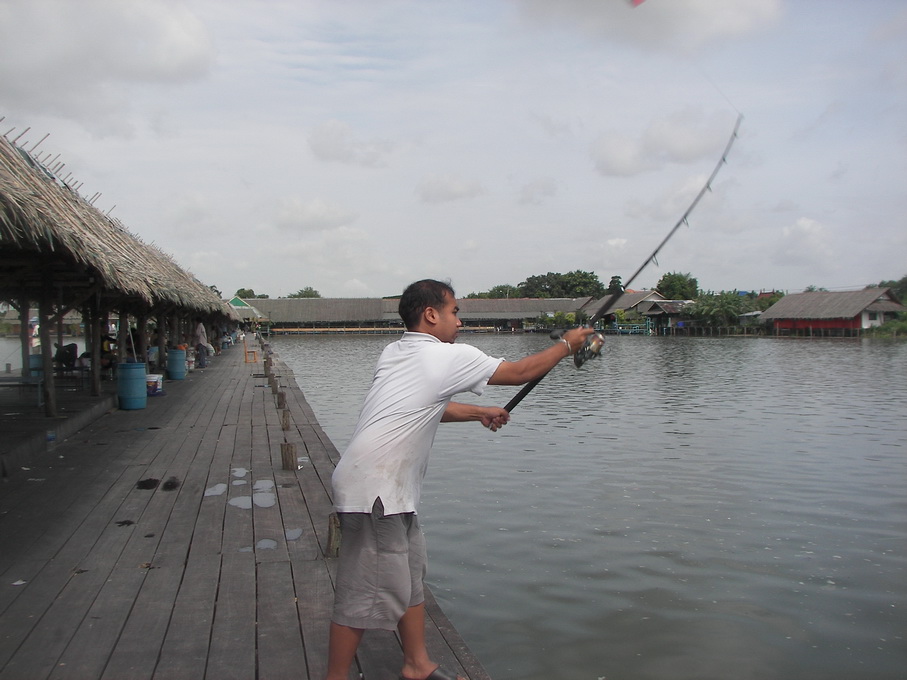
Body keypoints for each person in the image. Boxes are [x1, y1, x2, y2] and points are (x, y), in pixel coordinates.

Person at [325, 279, 594, 680]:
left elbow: (426, 406)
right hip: (376, 492)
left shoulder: (396, 352)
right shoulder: (447, 357)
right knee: (364, 593)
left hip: (383, 488)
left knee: (410, 576)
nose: (459, 321)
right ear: (431, 314)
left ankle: (417, 664)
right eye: (454, 312)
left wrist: (479, 412)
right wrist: (569, 344)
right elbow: (521, 372)